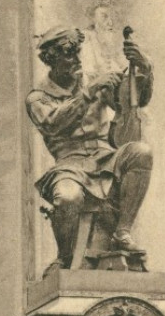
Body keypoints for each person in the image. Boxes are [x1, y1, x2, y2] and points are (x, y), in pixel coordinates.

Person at [25, 25, 153, 270]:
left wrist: (144, 67)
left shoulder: (95, 81)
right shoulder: (38, 98)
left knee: (141, 152)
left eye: (77, 53)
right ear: (51, 61)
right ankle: (65, 257)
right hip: (69, 166)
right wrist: (90, 92)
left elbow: (132, 99)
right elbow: (54, 123)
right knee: (68, 197)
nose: (76, 60)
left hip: (106, 158)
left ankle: (122, 232)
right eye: (68, 56)